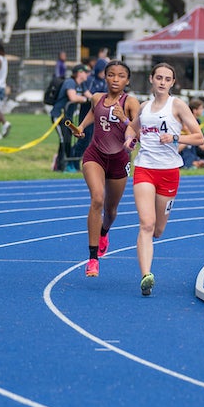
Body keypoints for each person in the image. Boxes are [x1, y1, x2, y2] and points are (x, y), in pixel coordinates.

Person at [126, 63, 203, 297]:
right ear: (151, 79)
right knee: (146, 224)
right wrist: (129, 140)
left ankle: (150, 247)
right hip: (145, 169)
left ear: (172, 82)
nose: (162, 82)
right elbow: (131, 129)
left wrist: (175, 137)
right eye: (158, 77)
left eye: (167, 79)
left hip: (169, 172)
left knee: (158, 229)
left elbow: (198, 137)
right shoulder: (144, 107)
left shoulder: (177, 105)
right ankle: (146, 275)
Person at [70, 60, 141, 277]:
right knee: (97, 199)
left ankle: (104, 231)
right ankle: (92, 259)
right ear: (105, 77)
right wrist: (81, 127)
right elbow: (94, 112)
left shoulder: (131, 102)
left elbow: (136, 134)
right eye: (111, 75)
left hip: (120, 159)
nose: (115, 79)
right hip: (95, 155)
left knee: (110, 211)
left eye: (120, 76)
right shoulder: (96, 97)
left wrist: (123, 120)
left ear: (127, 80)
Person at [51, 64, 90, 172]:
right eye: (85, 72)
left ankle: (63, 163)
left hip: (68, 118)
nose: (87, 74)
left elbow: (90, 96)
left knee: (68, 140)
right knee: (64, 140)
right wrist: (84, 100)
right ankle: (61, 165)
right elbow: (72, 97)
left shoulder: (81, 84)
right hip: (59, 116)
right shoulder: (70, 82)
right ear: (79, 73)